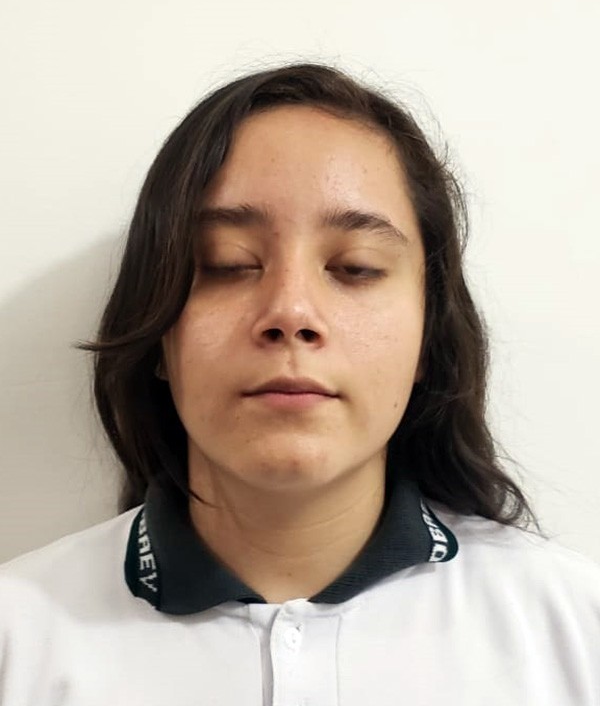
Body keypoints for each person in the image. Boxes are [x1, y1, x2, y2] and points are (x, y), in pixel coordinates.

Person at [0, 62, 598, 705]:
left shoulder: (573, 633)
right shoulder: (19, 639)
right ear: (157, 333)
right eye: (227, 264)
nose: (290, 312)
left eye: (356, 268)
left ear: (429, 337)